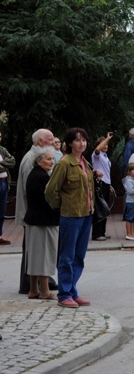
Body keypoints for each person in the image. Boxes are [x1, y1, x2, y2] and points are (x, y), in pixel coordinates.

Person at [45, 128, 99, 308]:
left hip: (86, 214)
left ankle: (72, 291)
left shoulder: (85, 162)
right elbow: (50, 190)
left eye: (84, 140)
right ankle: (64, 294)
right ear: (69, 144)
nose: (81, 143)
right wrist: (61, 206)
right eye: (77, 140)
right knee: (67, 256)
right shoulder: (64, 164)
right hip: (71, 216)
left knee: (79, 256)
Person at [16, 128, 56, 294]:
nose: (54, 142)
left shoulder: (34, 159)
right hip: (35, 215)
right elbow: (32, 191)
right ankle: (31, 284)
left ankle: (35, 284)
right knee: (36, 251)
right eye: (51, 139)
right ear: (40, 141)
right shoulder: (32, 161)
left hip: (33, 214)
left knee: (35, 250)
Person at [24, 146, 59, 300]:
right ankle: (44, 291)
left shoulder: (35, 174)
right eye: (48, 159)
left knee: (35, 256)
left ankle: (33, 289)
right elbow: (49, 200)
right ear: (39, 161)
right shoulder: (42, 176)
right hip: (43, 221)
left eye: (52, 158)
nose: (52, 162)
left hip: (35, 219)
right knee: (44, 256)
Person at [91, 133, 113, 241]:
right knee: (99, 208)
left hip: (106, 182)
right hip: (100, 182)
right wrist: (107, 138)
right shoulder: (97, 156)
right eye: (103, 144)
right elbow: (97, 149)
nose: (105, 146)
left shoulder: (105, 156)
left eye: (107, 144)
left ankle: (102, 232)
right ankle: (96, 233)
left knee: (105, 208)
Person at [0, 131, 16, 245]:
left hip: (4, 182)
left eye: (0, 136)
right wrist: (5, 164)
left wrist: (2, 163)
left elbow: (12, 162)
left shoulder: (2, 149)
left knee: (2, 211)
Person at [122, 163, 134, 241]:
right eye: (133, 169)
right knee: (129, 218)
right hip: (131, 201)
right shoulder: (128, 180)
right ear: (129, 171)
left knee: (133, 218)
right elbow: (131, 191)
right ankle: (129, 233)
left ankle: (133, 233)